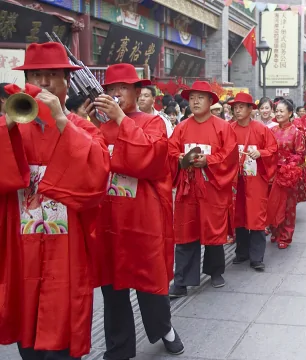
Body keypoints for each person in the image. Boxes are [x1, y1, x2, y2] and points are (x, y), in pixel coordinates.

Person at [0, 42, 110, 360]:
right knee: (27, 333)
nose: (44, 83)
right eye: (37, 75)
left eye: (52, 75)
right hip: (23, 247)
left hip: (67, 246)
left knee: (62, 335)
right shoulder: (13, 128)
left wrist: (63, 119)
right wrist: (6, 127)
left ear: (66, 83)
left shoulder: (84, 129)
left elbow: (97, 176)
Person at [86, 63, 184, 359]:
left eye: (122, 89)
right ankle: (119, 347)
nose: (116, 95)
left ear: (136, 91)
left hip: (142, 216)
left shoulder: (151, 122)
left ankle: (164, 328)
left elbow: (153, 162)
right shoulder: (98, 126)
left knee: (149, 281)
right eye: (111, 89)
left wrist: (121, 120)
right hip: (108, 216)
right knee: (111, 286)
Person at [168, 81, 238, 296]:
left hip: (212, 188)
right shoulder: (182, 127)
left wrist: (208, 160)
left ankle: (215, 271)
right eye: (191, 98)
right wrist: (179, 157)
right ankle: (181, 280)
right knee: (185, 232)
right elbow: (170, 151)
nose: (195, 101)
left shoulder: (223, 127)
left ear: (210, 101)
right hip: (187, 190)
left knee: (213, 231)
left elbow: (230, 156)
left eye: (200, 97)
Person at [229, 92, 278, 269]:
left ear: (251, 109)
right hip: (235, 180)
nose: (237, 110)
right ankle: (241, 252)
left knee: (256, 216)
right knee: (239, 215)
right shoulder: (229, 128)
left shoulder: (261, 129)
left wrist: (261, 153)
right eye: (235, 107)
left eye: (241, 107)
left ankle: (257, 257)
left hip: (255, 179)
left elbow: (273, 149)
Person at [268, 99, 306, 249]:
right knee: (273, 203)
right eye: (277, 111)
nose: (278, 114)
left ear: (290, 113)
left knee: (288, 206)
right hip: (272, 173)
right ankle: (275, 230)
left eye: (281, 111)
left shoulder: (296, 132)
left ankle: (286, 236)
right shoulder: (271, 131)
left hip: (288, 173)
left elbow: (301, 154)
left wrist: (286, 163)